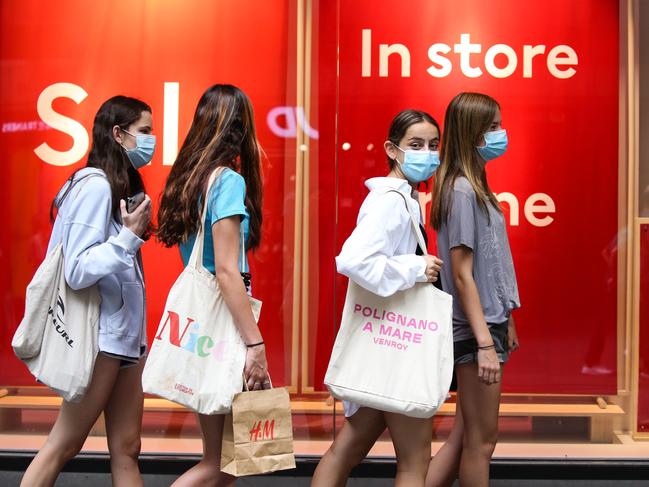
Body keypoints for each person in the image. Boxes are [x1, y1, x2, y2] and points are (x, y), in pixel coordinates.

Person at [21, 96, 154, 487]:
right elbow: (78, 270)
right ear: (118, 133)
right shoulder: (95, 185)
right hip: (100, 340)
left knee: (128, 447)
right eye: (144, 131)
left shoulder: (114, 185)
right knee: (64, 443)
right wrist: (128, 237)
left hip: (124, 340)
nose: (150, 141)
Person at [312, 109, 444, 487]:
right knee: (415, 460)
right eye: (415, 145)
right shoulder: (390, 200)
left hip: (385, 344)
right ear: (392, 149)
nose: (427, 153)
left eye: (433, 145)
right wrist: (416, 269)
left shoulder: (402, 198)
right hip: (399, 348)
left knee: (348, 449)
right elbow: (354, 260)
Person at [157, 84, 268, 487]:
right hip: (227, 326)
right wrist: (254, 344)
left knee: (228, 459)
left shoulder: (191, 178)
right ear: (240, 129)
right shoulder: (229, 181)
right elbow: (226, 270)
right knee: (223, 461)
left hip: (208, 326)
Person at [426, 92, 520, 487]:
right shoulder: (462, 191)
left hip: (487, 326)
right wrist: (485, 342)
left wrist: (506, 319)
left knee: (465, 435)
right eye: (493, 126)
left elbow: (490, 264)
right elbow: (462, 274)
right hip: (472, 332)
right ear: (473, 132)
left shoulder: (472, 186)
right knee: (483, 442)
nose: (501, 133)